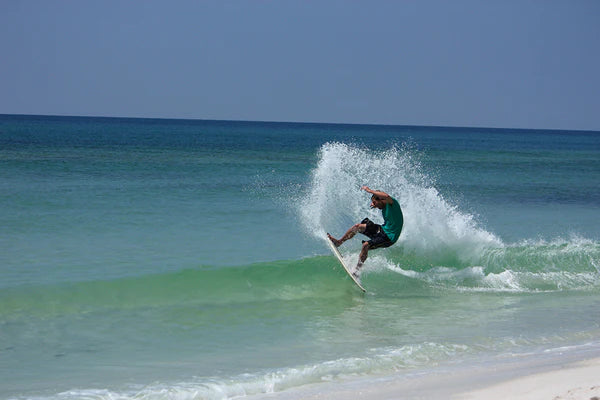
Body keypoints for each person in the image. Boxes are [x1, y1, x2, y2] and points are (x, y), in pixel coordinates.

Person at [327, 186, 403, 278]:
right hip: (382, 230)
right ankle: (339, 242)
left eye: (374, 202)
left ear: (381, 199)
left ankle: (356, 272)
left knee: (365, 245)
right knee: (357, 227)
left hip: (389, 237)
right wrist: (376, 204)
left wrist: (370, 190)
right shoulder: (383, 207)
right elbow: (382, 201)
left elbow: (386, 196)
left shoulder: (392, 203)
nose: (373, 204)